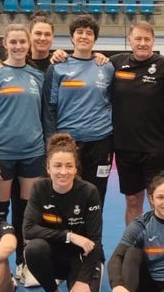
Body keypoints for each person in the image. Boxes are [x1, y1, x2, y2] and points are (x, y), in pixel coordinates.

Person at [0, 23, 46, 286]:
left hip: (33, 151)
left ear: (29, 45)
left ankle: (25, 263)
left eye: (22, 42)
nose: (18, 46)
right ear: (5, 43)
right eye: (13, 41)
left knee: (28, 212)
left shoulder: (37, 76)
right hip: (2, 153)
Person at [22, 133, 104, 292]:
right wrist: (69, 236)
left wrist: (83, 281)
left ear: (76, 168)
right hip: (54, 256)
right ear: (48, 168)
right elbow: (28, 230)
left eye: (69, 166)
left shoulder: (89, 191)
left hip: (83, 258)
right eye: (57, 166)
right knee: (33, 248)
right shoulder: (39, 189)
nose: (63, 172)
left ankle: (81, 281)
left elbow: (95, 242)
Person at [44, 14, 115, 201]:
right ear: (72, 38)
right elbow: (49, 107)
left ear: (95, 39)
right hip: (68, 142)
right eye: (79, 32)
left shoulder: (107, 67)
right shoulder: (58, 67)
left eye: (89, 33)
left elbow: (114, 102)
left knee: (97, 194)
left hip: (100, 141)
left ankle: (92, 231)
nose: (84, 36)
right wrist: (51, 143)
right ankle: (69, 231)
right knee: (67, 192)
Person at [109, 20, 164, 224]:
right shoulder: (115, 63)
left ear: (153, 41)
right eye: (138, 38)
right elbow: (89, 62)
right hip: (125, 147)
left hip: (156, 148)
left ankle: (163, 244)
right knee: (132, 200)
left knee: (159, 199)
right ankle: (133, 245)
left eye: (147, 39)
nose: (143, 43)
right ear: (130, 40)